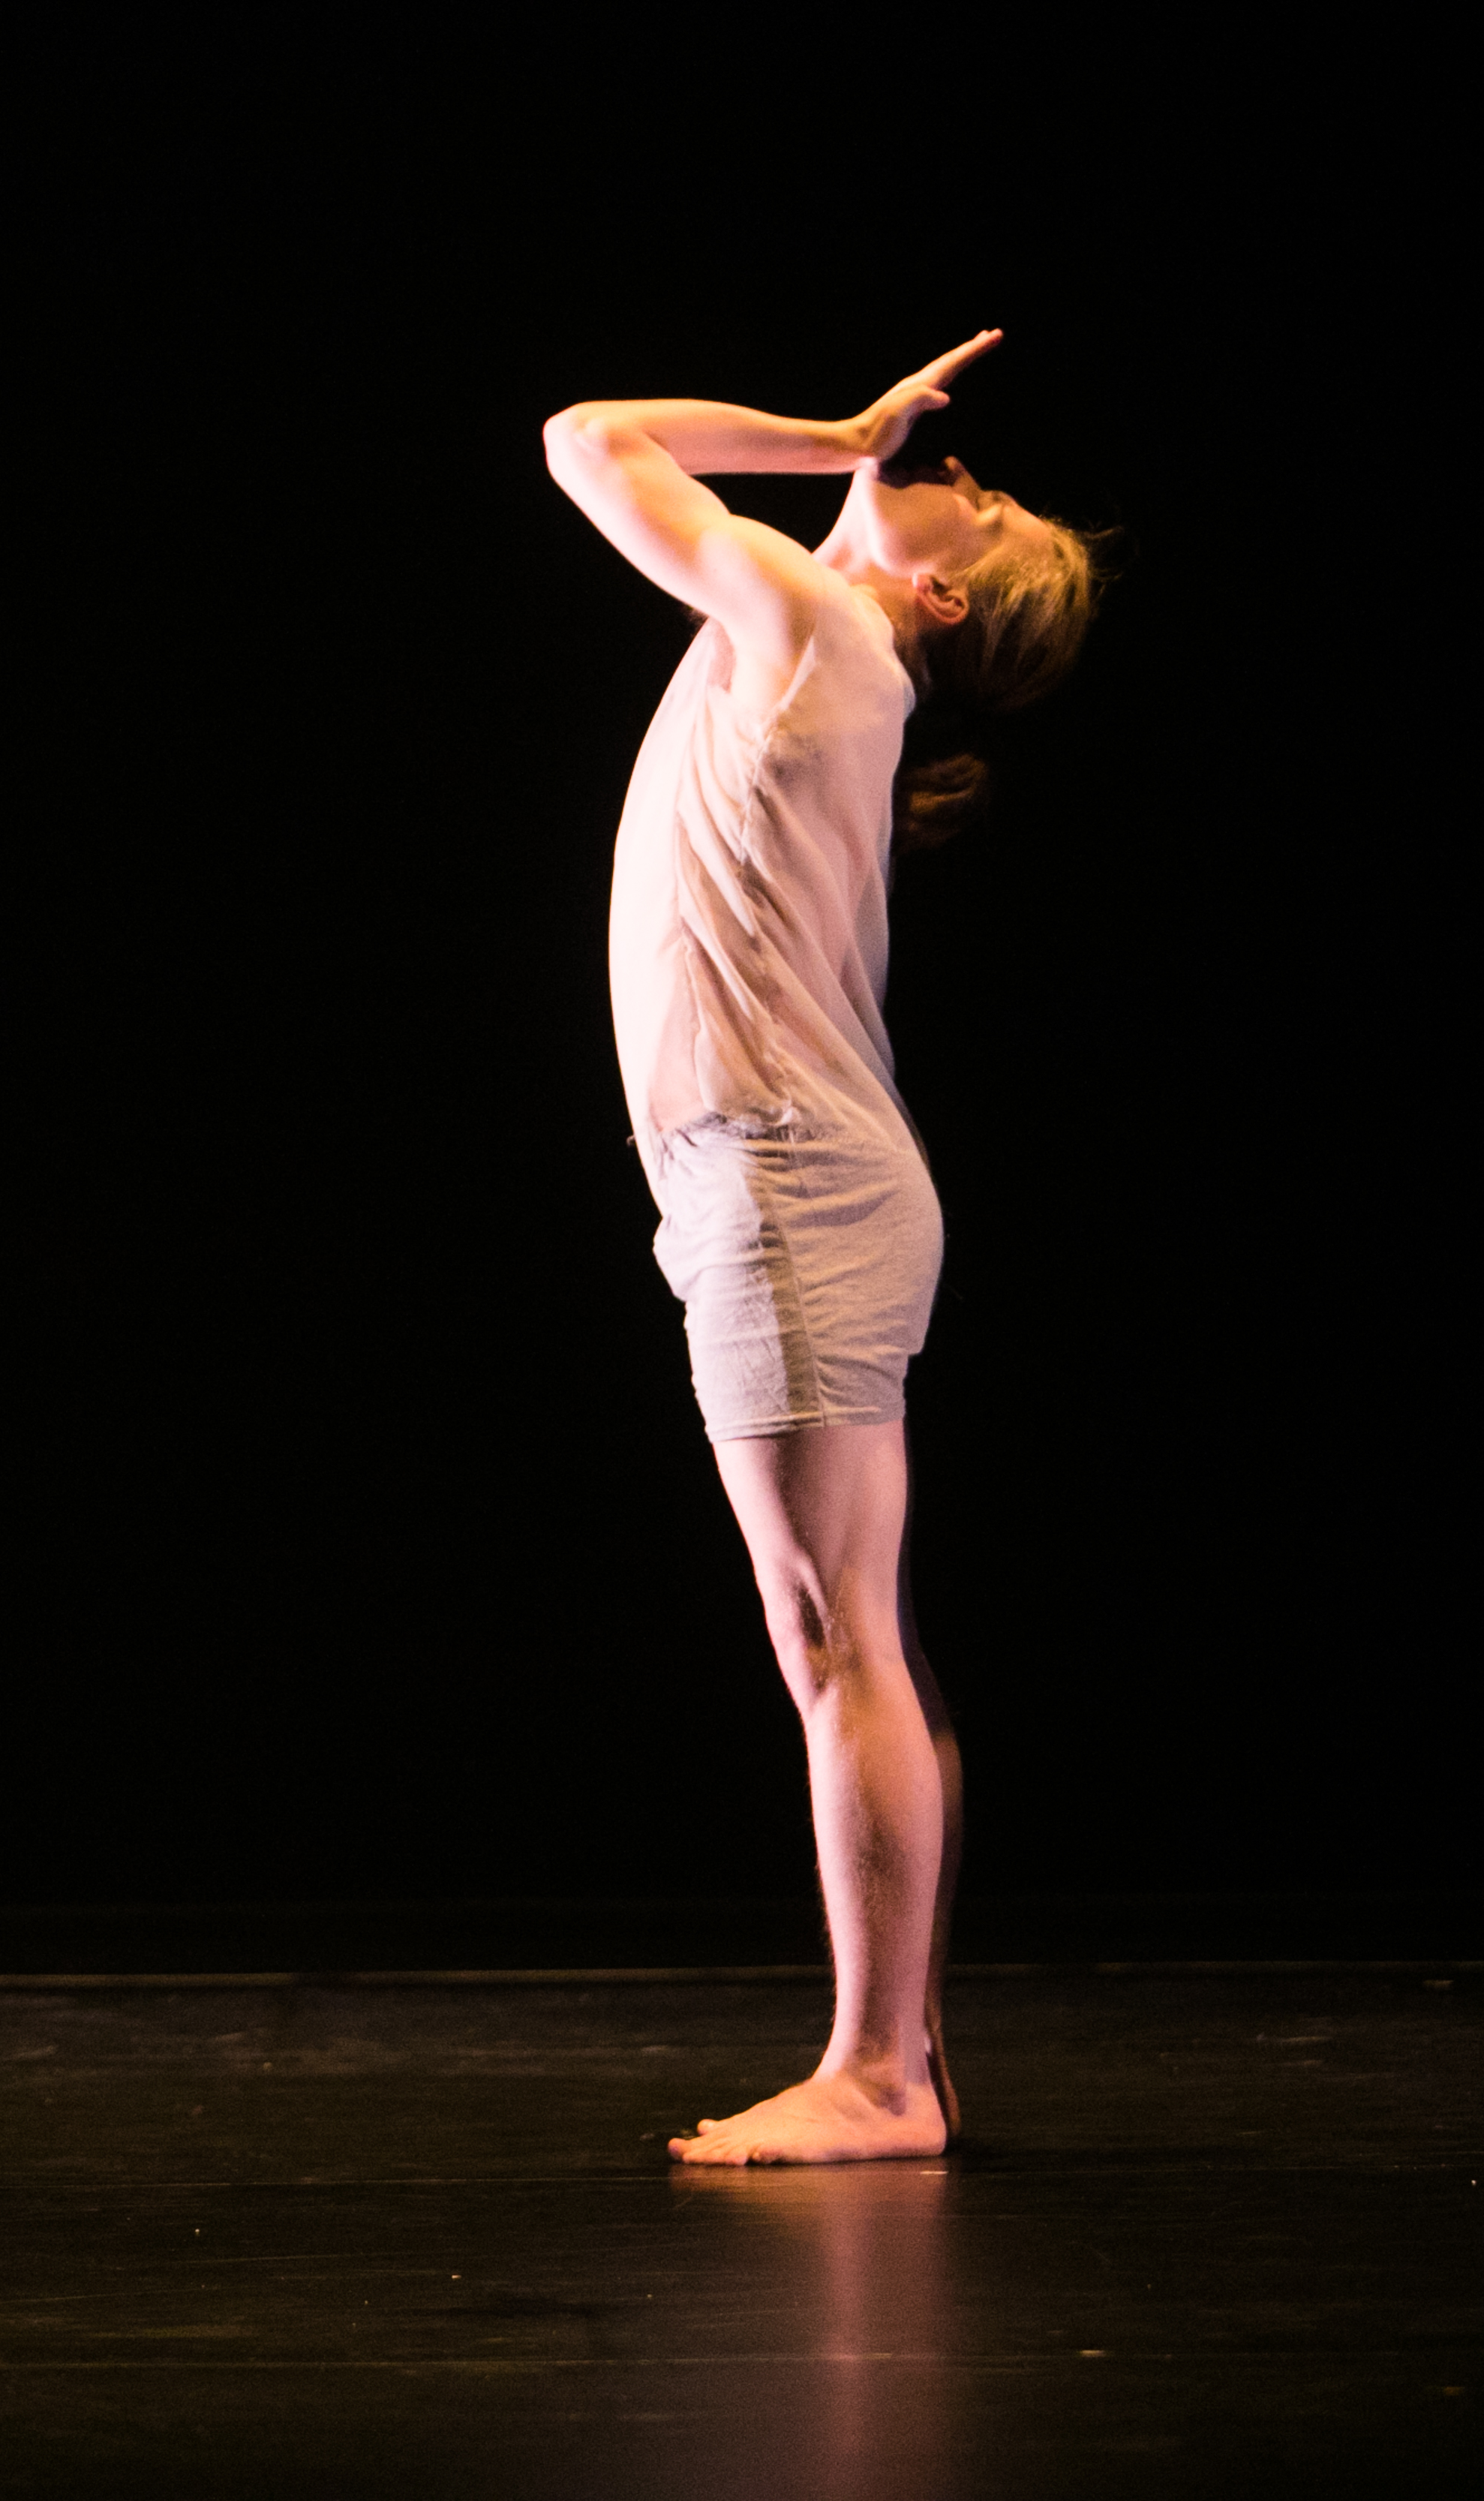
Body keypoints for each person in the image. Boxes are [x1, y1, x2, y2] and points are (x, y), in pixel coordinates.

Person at [541, 334, 1102, 2165]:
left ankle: (877, 2076)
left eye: (986, 507)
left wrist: (830, 436)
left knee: (828, 1626)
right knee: (862, 1632)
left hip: (784, 1175)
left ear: (942, 593)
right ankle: (902, 2054)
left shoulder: (817, 625)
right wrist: (853, 445)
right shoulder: (811, 637)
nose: (963, 471)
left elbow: (585, 436)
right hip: (783, 1170)